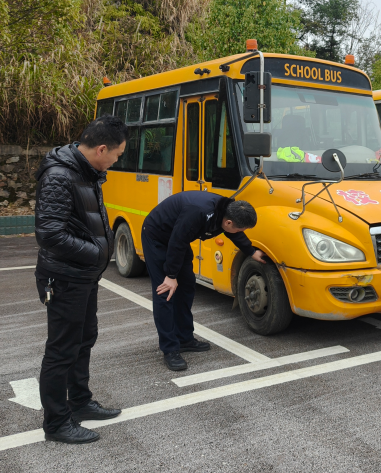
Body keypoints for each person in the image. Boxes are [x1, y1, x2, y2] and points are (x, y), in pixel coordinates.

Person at [34, 115, 127, 444]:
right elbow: (49, 234)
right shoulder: (61, 176)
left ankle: (81, 402)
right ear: (102, 148)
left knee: (84, 339)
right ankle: (57, 423)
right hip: (65, 277)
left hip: (82, 276)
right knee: (61, 350)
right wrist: (94, 252)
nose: (115, 163)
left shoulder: (87, 172)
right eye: (116, 156)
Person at [141, 192, 265, 371]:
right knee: (165, 292)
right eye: (240, 229)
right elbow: (177, 240)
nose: (240, 233)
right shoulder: (198, 212)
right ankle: (170, 349)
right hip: (158, 237)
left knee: (187, 286)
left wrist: (251, 251)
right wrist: (170, 276)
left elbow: (233, 233)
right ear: (228, 222)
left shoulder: (226, 211)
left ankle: (184, 339)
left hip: (178, 239)